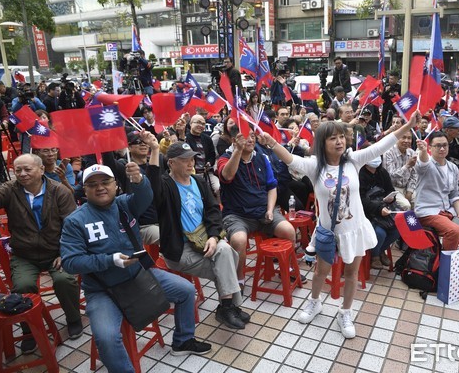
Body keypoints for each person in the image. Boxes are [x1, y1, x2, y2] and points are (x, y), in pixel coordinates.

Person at [262, 111, 421, 339]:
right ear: (322, 143)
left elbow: (381, 145)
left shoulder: (353, 161)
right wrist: (273, 142)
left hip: (353, 230)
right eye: (332, 138)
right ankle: (314, 303)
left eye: (341, 137)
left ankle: (345, 312)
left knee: (351, 273)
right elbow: (290, 159)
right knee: (320, 272)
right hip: (328, 232)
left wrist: (408, 126)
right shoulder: (314, 166)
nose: (339, 141)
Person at [61, 162, 211, 372]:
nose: (100, 187)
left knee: (186, 290)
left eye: (106, 182)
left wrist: (140, 181)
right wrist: (109, 260)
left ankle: (183, 340)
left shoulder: (124, 205)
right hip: (103, 289)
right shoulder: (75, 221)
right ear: (84, 190)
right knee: (106, 337)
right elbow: (69, 262)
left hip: (140, 275)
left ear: (116, 185)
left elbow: (145, 197)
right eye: (92, 184)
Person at [147, 138, 250, 329]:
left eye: (192, 158)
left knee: (226, 252)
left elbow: (213, 211)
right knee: (225, 265)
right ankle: (229, 307)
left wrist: (213, 236)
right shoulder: (166, 185)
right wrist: (154, 150)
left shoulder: (198, 181)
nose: (191, 163)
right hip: (181, 249)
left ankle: (227, 307)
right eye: (185, 159)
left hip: (204, 240)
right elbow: (152, 187)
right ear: (171, 163)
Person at [0, 154, 81, 353]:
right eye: (18, 171)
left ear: (41, 169)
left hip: (56, 251)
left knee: (64, 280)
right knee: (23, 286)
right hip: (25, 254)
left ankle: (73, 318)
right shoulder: (10, 190)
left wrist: (65, 251)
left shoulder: (59, 191)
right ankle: (28, 330)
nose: (22, 174)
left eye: (27, 169)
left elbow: (73, 225)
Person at [216, 127, 299, 293]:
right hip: (237, 215)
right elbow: (227, 176)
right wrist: (238, 151)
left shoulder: (261, 157)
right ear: (234, 140)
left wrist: (270, 210)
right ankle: (239, 278)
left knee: (289, 231)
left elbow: (272, 187)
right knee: (239, 240)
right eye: (245, 137)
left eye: (252, 136)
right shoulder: (224, 159)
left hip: (263, 211)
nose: (251, 140)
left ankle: (289, 268)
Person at [414, 133, 459, 279]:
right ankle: (448, 268)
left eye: (445, 145)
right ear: (430, 147)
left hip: (448, 212)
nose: (442, 149)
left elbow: (455, 194)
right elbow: (422, 163)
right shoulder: (427, 164)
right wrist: (422, 151)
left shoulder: (452, 167)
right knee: (454, 230)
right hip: (429, 212)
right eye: (437, 146)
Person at [359, 156, 399, 269]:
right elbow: (360, 199)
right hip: (367, 212)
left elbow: (390, 189)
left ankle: (380, 250)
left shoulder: (382, 172)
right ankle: (375, 255)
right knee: (380, 233)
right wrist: (378, 209)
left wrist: (391, 198)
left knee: (397, 229)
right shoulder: (359, 174)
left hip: (385, 207)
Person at [382, 131, 417, 210]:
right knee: (406, 205)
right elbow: (390, 177)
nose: (406, 141)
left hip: (407, 187)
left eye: (409, 138)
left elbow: (414, 175)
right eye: (403, 137)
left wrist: (409, 191)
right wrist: (407, 166)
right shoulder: (388, 153)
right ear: (397, 138)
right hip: (392, 189)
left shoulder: (412, 153)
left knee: (420, 203)